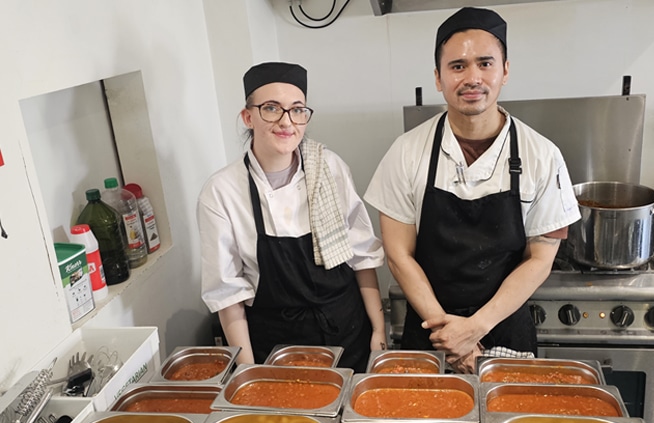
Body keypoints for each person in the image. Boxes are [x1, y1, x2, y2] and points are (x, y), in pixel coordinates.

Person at [364, 7, 580, 372]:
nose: (472, 78)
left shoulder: (542, 156)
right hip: (430, 329)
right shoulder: (406, 152)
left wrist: (474, 329)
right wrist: (448, 334)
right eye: (458, 66)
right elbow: (398, 256)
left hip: (504, 327)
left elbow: (541, 260)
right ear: (438, 77)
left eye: (485, 63)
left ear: (505, 71)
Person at [198, 62, 386, 372]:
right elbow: (228, 296)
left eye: (297, 110)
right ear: (248, 117)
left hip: (347, 332)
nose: (287, 122)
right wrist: (250, 372)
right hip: (277, 349)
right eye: (271, 108)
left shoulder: (330, 167)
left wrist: (379, 330)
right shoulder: (221, 191)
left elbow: (362, 255)